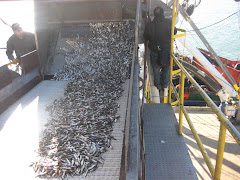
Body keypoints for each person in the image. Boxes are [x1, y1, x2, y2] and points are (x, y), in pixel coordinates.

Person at [144, 6, 177, 96]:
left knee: (156, 69)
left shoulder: (150, 25)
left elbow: (146, 37)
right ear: (163, 14)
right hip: (166, 51)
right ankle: (165, 85)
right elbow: (174, 32)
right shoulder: (169, 22)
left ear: (154, 15)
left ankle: (158, 86)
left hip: (155, 51)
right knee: (166, 68)